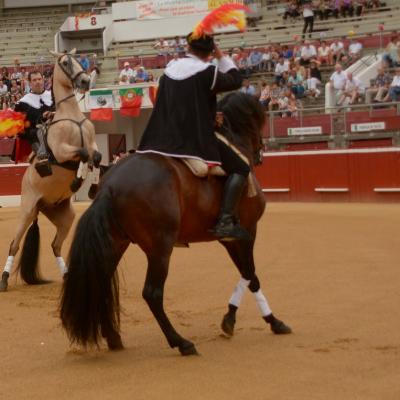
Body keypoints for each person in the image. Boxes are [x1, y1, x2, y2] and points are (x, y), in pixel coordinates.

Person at [137, 33, 250, 241]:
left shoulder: (169, 69)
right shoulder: (207, 71)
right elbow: (236, 79)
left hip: (157, 138)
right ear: (209, 53)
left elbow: (185, 103)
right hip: (192, 140)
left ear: (188, 48)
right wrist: (220, 55)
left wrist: (209, 113)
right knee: (242, 168)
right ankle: (225, 222)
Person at [14, 70, 55, 172]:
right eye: (34, 80)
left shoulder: (53, 96)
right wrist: (40, 117)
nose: (38, 82)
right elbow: (21, 127)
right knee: (34, 131)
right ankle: (42, 156)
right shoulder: (23, 103)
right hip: (36, 133)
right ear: (29, 83)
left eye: (39, 79)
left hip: (56, 127)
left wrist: (53, 114)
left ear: (43, 80)